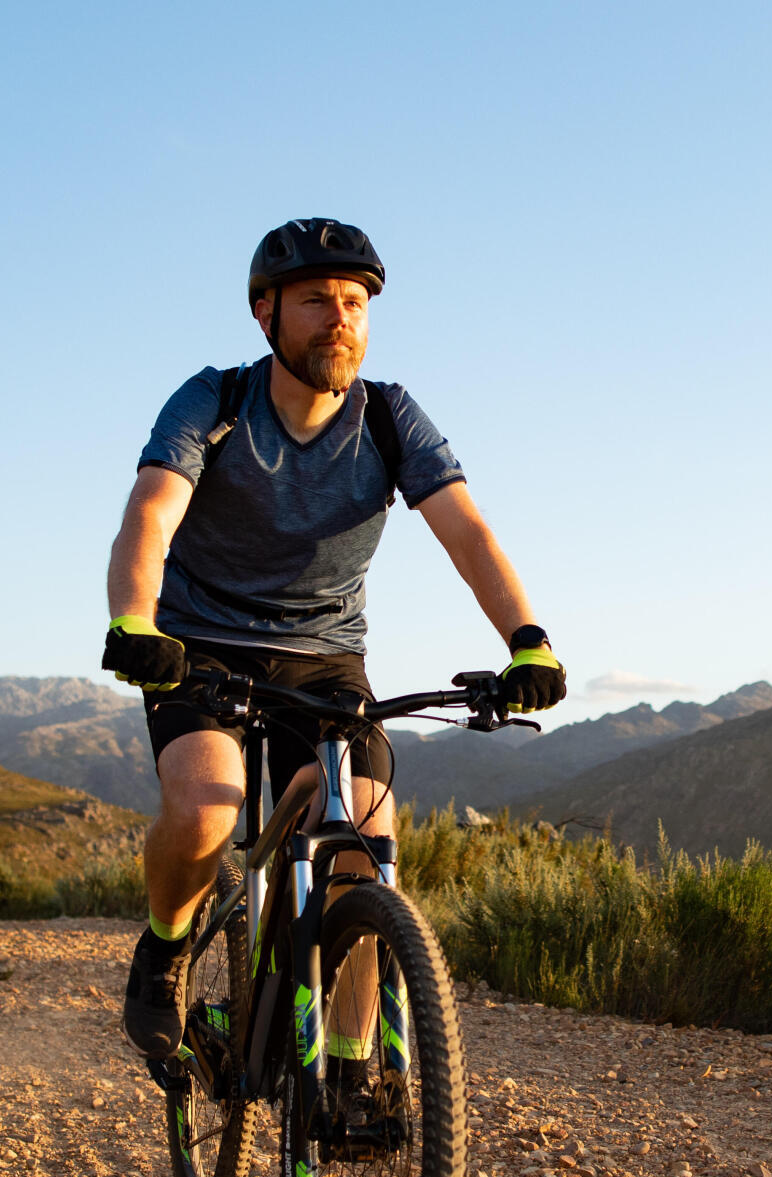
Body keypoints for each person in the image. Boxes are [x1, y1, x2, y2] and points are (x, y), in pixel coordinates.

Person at [102, 217, 564, 1061]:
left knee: (366, 844)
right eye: (317, 300)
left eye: (354, 302)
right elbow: (152, 511)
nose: (340, 317)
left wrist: (528, 641)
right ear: (265, 313)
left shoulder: (389, 417)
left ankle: (350, 1072)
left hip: (323, 659)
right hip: (197, 644)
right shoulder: (217, 401)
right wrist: (134, 623)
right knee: (209, 808)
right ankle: (165, 951)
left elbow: (467, 533)